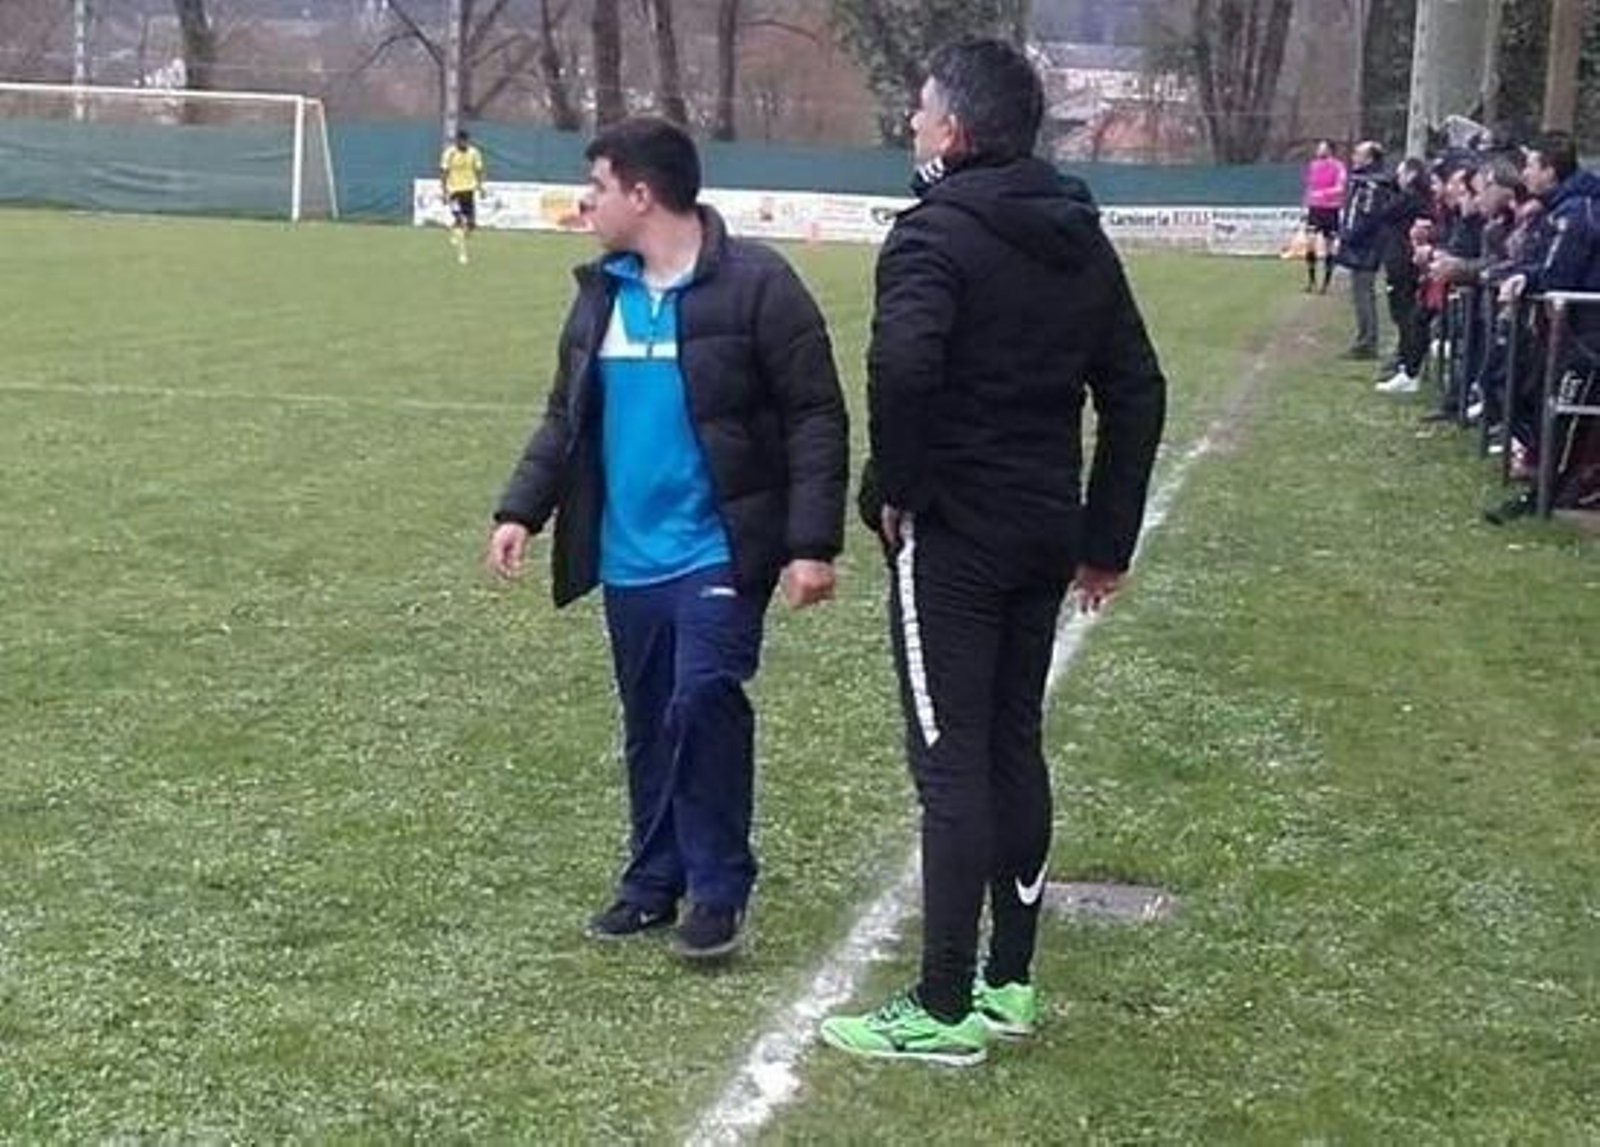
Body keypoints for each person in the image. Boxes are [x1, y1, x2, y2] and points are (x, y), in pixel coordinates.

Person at [818, 39, 1166, 1066]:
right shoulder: (1078, 234)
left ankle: (941, 1006)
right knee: (1010, 744)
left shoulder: (933, 235)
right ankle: (1008, 981)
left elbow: (903, 363)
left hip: (960, 535)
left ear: (956, 130)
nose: (913, 127)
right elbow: (1137, 388)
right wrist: (1101, 539)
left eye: (922, 113)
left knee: (952, 762)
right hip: (1043, 526)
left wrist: (896, 488)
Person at [486, 117, 848, 960]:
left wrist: (810, 542)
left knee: (703, 697)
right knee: (651, 717)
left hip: (720, 548)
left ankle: (718, 889)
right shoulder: (600, 295)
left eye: (598, 188)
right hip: (628, 554)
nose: (586, 204)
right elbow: (562, 419)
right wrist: (520, 510)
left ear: (642, 194)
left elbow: (815, 417)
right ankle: (653, 881)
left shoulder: (759, 285)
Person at [1336, 140, 1391, 360]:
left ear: (1370, 158)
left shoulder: (1372, 184)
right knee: (1360, 293)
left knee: (1363, 293)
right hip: (1363, 244)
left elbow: (1368, 217)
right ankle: (1365, 339)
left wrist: (1348, 236)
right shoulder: (1362, 181)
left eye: (1358, 154)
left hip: (1366, 247)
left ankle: (1367, 343)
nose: (1354, 157)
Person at [1302, 138, 1347, 293]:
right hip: (1314, 209)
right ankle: (1311, 281)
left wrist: (1323, 194)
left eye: (1322, 148)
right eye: (1318, 148)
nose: (1318, 150)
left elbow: (1340, 187)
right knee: (1310, 242)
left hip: (1330, 210)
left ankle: (1326, 283)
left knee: (1329, 246)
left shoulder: (1339, 166)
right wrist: (1307, 201)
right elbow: (1310, 186)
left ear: (1329, 150)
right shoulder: (1313, 166)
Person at [440, 128, 485, 265]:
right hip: (454, 191)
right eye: (461, 141)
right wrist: (443, 191)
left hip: (469, 191)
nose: (464, 143)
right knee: (459, 220)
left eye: (466, 141)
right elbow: (444, 172)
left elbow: (478, 170)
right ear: (457, 141)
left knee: (471, 224)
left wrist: (481, 187)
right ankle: (462, 254)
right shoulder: (450, 153)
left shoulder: (474, 153)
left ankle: (457, 233)